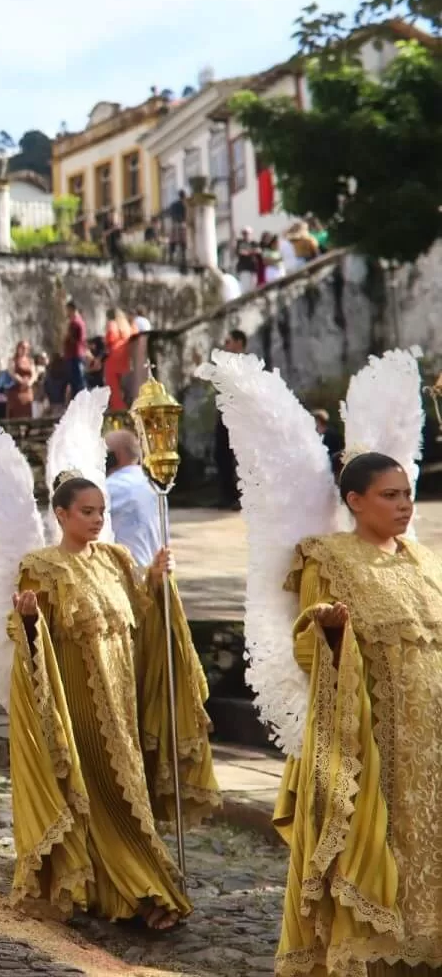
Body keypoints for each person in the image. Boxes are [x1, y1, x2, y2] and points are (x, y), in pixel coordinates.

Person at [8, 475, 218, 929]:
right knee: (102, 797)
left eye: (101, 511)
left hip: (123, 702)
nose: (97, 519)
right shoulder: (41, 567)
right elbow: (30, 642)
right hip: (80, 705)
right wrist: (27, 620)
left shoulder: (116, 560)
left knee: (129, 794)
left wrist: (157, 582)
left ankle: (132, 885)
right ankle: (139, 892)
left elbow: (144, 618)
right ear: (61, 514)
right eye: (87, 512)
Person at [271, 452, 442, 972]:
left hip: (433, 743)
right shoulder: (327, 559)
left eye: (407, 494)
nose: (404, 505)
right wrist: (330, 633)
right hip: (376, 745)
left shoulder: (425, 560)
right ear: (355, 500)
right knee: (380, 845)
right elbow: (307, 652)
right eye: (390, 495)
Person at [104, 431, 164, 570]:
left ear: (117, 455)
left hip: (127, 575)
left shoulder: (111, 487)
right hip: (156, 571)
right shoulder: (153, 485)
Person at [212, 329, 247, 509]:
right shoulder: (227, 364)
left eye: (229, 341)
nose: (226, 346)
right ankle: (227, 495)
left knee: (239, 456)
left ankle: (241, 497)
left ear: (239, 342)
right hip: (225, 413)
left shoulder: (245, 364)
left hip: (239, 414)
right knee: (221, 454)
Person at [104, 309, 136, 412]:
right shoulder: (127, 325)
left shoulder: (112, 324)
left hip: (114, 358)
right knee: (125, 389)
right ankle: (129, 409)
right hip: (125, 358)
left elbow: (110, 338)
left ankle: (119, 411)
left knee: (114, 389)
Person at [7, 340, 38, 421]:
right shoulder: (13, 360)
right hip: (16, 390)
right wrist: (22, 382)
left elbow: (34, 374)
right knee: (16, 413)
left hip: (28, 391)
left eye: (27, 348)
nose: (24, 350)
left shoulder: (30, 361)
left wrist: (30, 382)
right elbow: (12, 372)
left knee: (27, 412)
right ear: (18, 348)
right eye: (23, 347)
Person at [63, 299, 89, 396]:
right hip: (76, 355)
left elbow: (76, 339)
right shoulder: (79, 321)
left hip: (74, 355)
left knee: (78, 382)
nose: (67, 312)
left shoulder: (75, 322)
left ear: (71, 309)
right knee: (77, 382)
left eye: (67, 310)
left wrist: (67, 336)